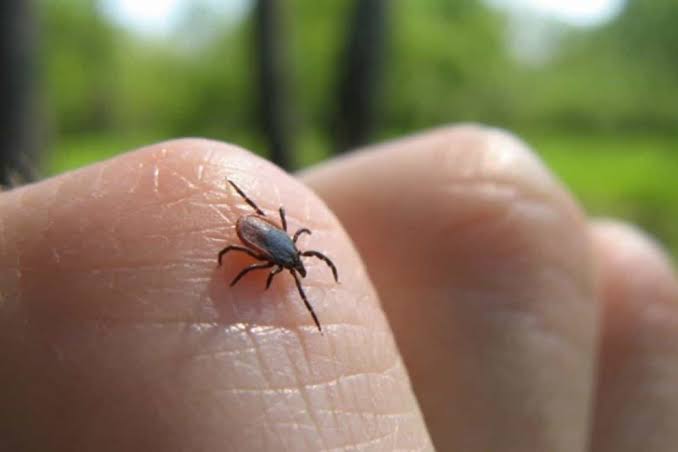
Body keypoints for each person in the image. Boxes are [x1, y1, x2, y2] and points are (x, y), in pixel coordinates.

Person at [0, 125, 675, 451]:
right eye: (298, 265)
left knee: (259, 244)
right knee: (261, 246)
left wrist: (250, 253)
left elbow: (253, 242)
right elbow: (254, 245)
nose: (296, 269)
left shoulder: (275, 251)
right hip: (257, 228)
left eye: (296, 266)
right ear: (293, 258)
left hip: (257, 229)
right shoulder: (283, 253)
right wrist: (252, 256)